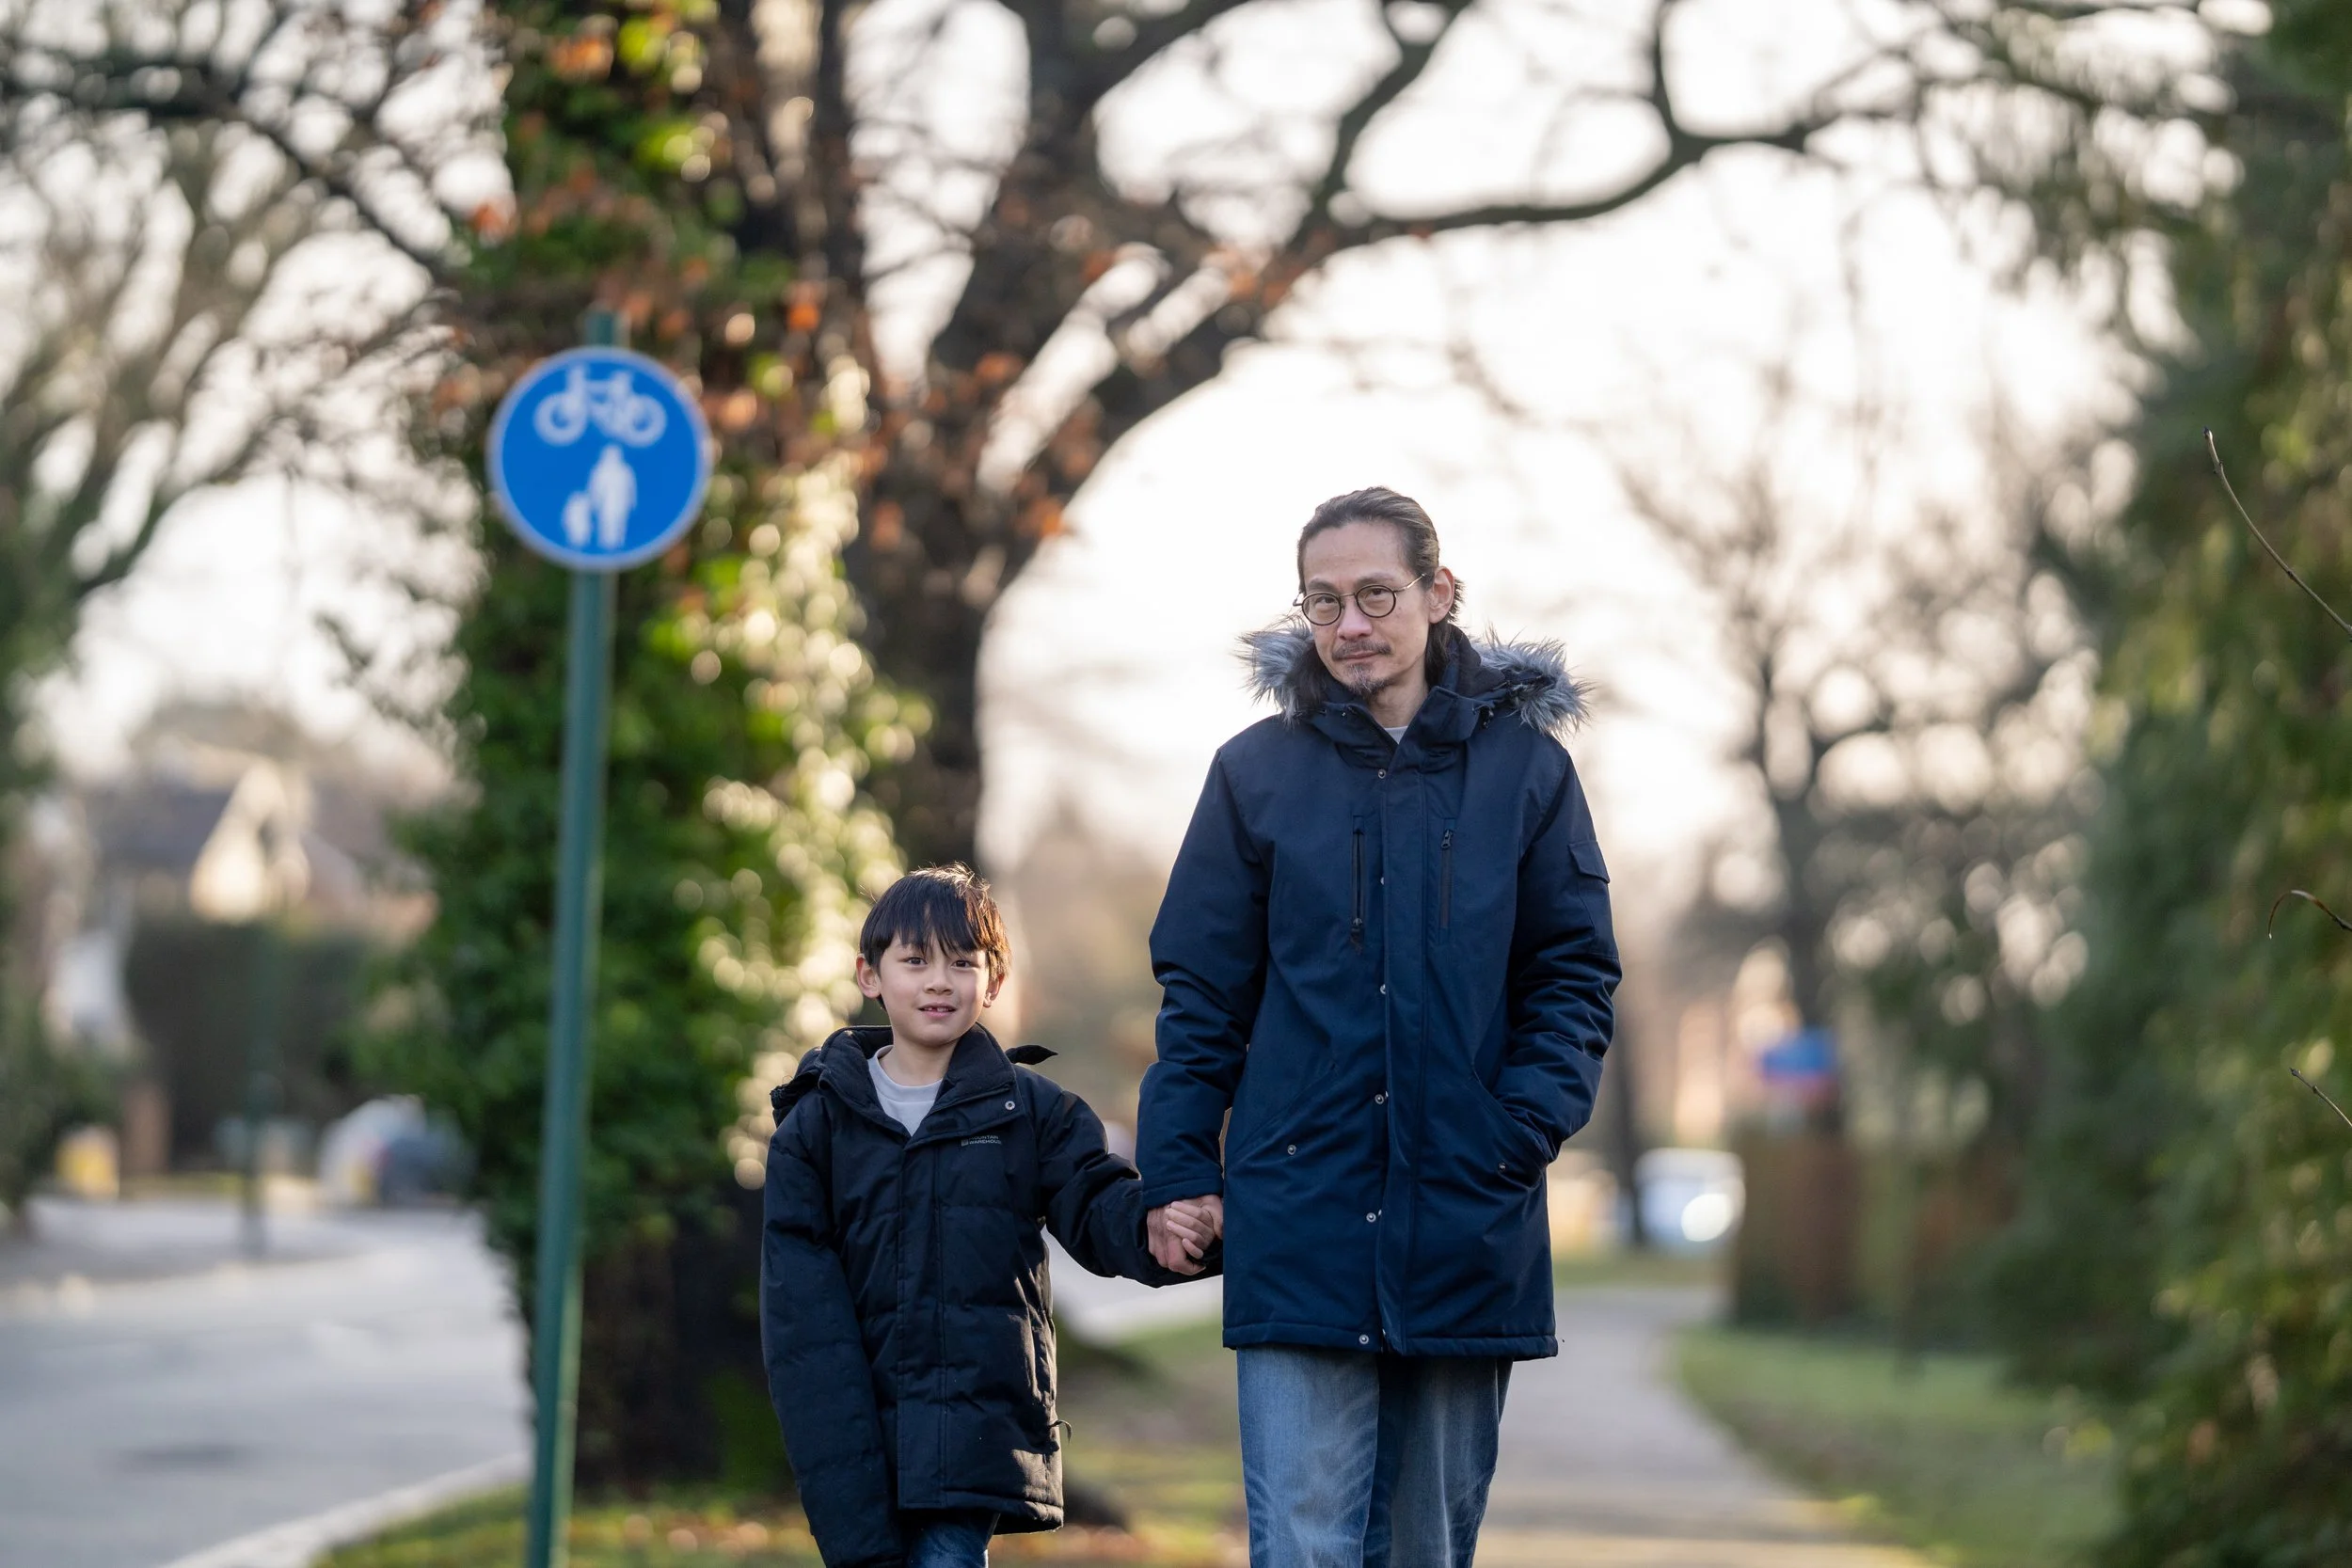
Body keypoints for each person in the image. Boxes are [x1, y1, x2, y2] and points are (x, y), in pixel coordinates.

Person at [1136, 487, 1621, 1568]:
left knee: (1424, 1548)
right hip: (1296, 1213)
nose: (1349, 623)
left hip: (1465, 1213)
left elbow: (1573, 975)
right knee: (1301, 1548)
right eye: (1323, 601)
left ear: (1439, 592)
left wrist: (1516, 1129)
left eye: (1374, 594)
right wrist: (1178, 1169)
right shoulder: (1252, 774)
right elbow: (1201, 993)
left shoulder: (1529, 773)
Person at [761, 864, 1217, 1568]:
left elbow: (1100, 1208)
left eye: (962, 962)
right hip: (855, 1433)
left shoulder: (1031, 1111)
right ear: (869, 975)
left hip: (973, 1435)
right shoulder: (815, 1126)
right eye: (915, 960)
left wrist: (1166, 1228)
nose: (939, 981)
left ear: (994, 981)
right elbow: (802, 1316)